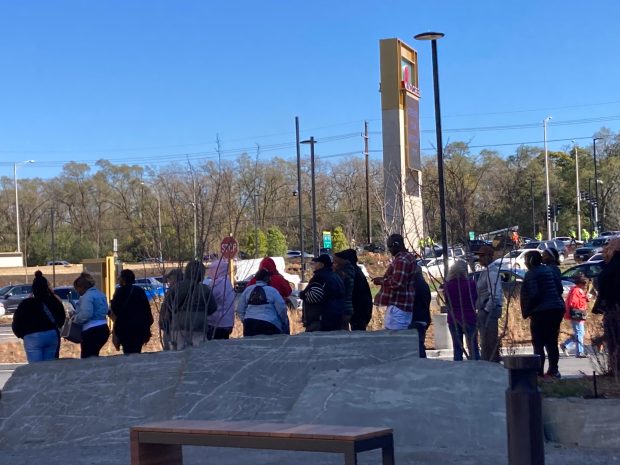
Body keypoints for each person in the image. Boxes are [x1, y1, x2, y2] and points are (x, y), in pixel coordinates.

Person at [520, 251, 565, 378]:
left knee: (538, 342)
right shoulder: (549, 270)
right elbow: (560, 289)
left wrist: (528, 310)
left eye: (525, 260)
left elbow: (533, 294)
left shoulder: (531, 274)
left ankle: (538, 372)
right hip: (556, 309)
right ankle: (554, 370)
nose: (524, 263)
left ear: (530, 262)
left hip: (541, 312)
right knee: (552, 341)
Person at [12, 271, 65, 362]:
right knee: (49, 367)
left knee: (35, 368)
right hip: (51, 334)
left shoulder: (26, 304)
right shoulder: (54, 301)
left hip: (31, 336)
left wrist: (22, 335)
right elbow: (62, 318)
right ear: (46, 287)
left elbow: (17, 321)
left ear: (33, 289)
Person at [165, 260, 217, 350]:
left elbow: (167, 307)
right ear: (202, 273)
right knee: (199, 356)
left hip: (178, 326)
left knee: (179, 357)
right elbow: (212, 308)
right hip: (199, 327)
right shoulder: (205, 290)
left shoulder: (176, 288)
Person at [373, 234, 417, 330]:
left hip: (399, 307)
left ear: (396, 245)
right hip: (404, 305)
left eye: (390, 247)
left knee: (395, 339)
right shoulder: (409, 257)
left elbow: (398, 283)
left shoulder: (401, 260)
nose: (389, 250)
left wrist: (381, 281)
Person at [593, 237, 620, 375]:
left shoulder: (611, 267)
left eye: (608, 246)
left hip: (613, 307)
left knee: (614, 340)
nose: (605, 250)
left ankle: (616, 369)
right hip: (613, 307)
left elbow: (604, 288)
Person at [109, 269, 153, 354]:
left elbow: (115, 309)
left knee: (128, 351)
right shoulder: (139, 291)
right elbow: (147, 308)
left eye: (120, 277)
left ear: (123, 279)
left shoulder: (119, 292)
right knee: (137, 351)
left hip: (125, 328)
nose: (118, 279)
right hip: (139, 327)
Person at [237, 268, 290, 336]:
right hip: (269, 323)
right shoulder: (272, 291)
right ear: (268, 279)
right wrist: (283, 321)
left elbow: (240, 309)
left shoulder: (248, 290)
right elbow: (282, 308)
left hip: (249, 323)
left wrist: (244, 319)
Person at [444, 261, 480, 361]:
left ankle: (458, 370)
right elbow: (475, 300)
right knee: (473, 347)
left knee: (457, 349)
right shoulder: (472, 284)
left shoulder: (448, 286)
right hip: (470, 317)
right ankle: (475, 368)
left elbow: (447, 303)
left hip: (454, 319)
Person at [473, 246, 504, 362]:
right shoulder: (486, 271)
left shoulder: (492, 272)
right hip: (485, 311)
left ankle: (492, 365)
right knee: (485, 343)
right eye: (479, 256)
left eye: (482, 256)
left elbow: (495, 295)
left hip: (489, 313)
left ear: (489, 257)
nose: (479, 258)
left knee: (489, 342)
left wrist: (486, 310)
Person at [300, 254, 345, 332]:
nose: (314, 265)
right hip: (338, 314)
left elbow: (315, 296)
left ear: (322, 265)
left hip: (321, 317)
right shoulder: (335, 276)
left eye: (316, 263)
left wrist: (302, 294)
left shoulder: (319, 277)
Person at [73, 272, 110, 358]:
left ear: (82, 287)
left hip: (91, 331)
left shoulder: (87, 296)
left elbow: (86, 314)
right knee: (94, 354)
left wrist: (75, 318)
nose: (77, 292)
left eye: (77, 289)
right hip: (104, 328)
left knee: (87, 358)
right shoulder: (100, 294)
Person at [334, 249, 373, 331]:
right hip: (361, 310)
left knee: (357, 334)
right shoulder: (357, 271)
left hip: (358, 311)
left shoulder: (351, 272)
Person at [560, 273, 589, 358]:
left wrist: (585, 297)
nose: (585, 286)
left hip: (578, 314)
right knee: (579, 333)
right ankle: (580, 352)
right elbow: (573, 303)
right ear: (580, 283)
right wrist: (582, 303)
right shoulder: (576, 290)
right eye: (584, 284)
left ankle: (566, 345)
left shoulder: (577, 290)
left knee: (580, 333)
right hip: (577, 314)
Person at [204, 260, 235, 340]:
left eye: (212, 270)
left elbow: (208, 299)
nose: (210, 272)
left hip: (217, 323)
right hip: (227, 323)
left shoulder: (217, 284)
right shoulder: (227, 282)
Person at [409, 267, 431, 358]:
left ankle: (421, 363)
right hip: (424, 317)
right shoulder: (424, 285)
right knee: (420, 342)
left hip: (415, 317)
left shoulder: (413, 285)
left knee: (417, 345)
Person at [160, 268, 183, 350]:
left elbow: (168, 311)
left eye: (169, 279)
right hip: (172, 326)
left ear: (175, 279)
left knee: (170, 351)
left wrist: (164, 323)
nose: (168, 281)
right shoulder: (173, 291)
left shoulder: (173, 291)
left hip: (171, 327)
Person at [333, 252, 356, 330]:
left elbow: (337, 290)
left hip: (343, 307)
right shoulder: (350, 270)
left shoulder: (343, 274)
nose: (333, 262)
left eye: (335, 260)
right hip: (348, 306)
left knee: (342, 330)